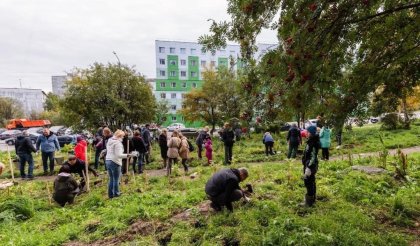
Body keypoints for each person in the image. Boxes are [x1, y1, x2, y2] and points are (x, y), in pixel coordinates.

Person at [105, 130, 129, 199]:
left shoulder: (109, 140)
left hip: (108, 160)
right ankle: (116, 193)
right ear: (120, 136)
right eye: (123, 136)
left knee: (111, 178)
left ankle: (110, 194)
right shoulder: (117, 143)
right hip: (115, 162)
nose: (123, 137)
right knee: (116, 179)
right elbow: (119, 155)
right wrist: (128, 155)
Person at [301, 125, 321, 207]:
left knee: (308, 182)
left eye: (307, 131)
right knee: (312, 181)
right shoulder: (311, 140)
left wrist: (309, 167)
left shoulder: (313, 142)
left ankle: (308, 203)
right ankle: (312, 199)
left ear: (311, 133)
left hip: (310, 166)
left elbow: (313, 156)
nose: (306, 132)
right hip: (310, 165)